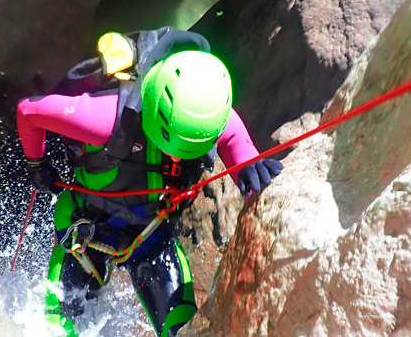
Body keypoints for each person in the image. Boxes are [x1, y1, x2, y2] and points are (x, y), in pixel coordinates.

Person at [15, 29, 283, 337]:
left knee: (182, 329)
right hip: (85, 229)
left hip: (152, 236)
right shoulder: (105, 118)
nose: (177, 155)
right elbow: (29, 111)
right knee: (57, 329)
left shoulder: (209, 111)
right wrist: (36, 165)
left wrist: (248, 164)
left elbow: (234, 136)